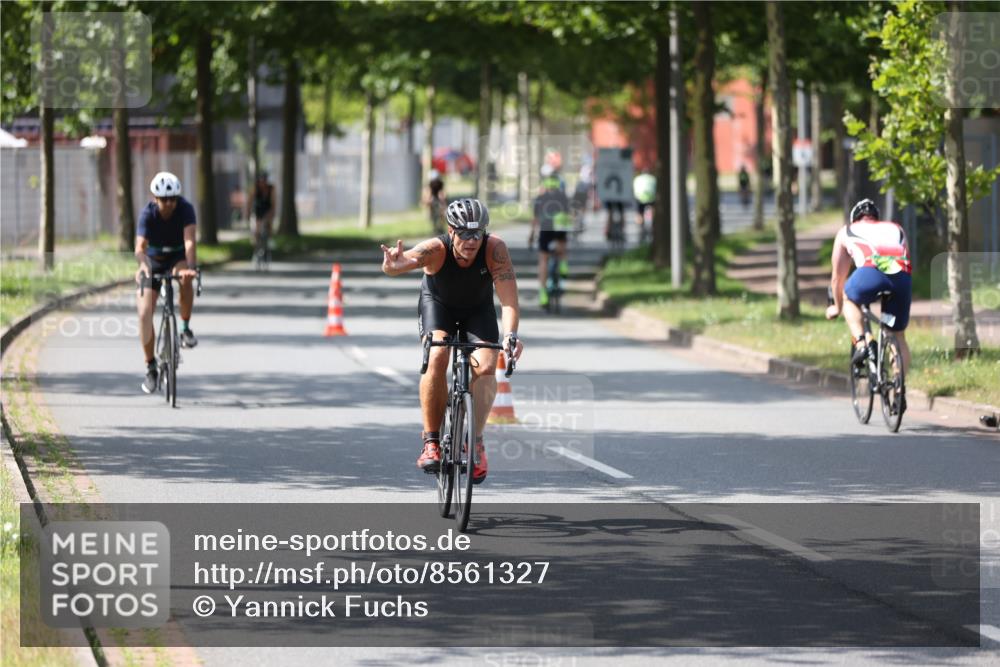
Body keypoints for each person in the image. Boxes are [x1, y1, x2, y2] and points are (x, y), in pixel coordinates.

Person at [380, 198, 524, 483]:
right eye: (465, 233)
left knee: (486, 367)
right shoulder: (437, 249)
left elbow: (509, 300)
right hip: (439, 307)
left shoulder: (495, 249)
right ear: (451, 230)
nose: (472, 241)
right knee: (438, 354)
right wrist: (393, 265)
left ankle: (476, 441)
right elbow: (406, 261)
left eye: (477, 233)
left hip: (477, 310)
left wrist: (510, 336)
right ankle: (431, 441)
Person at [825, 198, 912, 397]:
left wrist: (836, 307)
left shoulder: (847, 231)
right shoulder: (896, 228)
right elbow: (906, 258)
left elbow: (837, 278)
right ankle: (898, 387)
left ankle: (862, 342)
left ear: (854, 218)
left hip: (870, 271)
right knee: (897, 335)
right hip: (901, 275)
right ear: (876, 218)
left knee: (847, 296)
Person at [135, 172, 199, 394]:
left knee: (185, 278)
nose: (169, 204)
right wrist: (143, 267)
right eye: (164, 199)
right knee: (144, 313)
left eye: (173, 199)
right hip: (153, 261)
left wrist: (190, 266)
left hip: (177, 257)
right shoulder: (148, 214)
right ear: (155, 198)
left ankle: (185, 328)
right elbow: (140, 248)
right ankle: (151, 366)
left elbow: (189, 240)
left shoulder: (185, 208)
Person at [529, 165, 572, 308]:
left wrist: (531, 236)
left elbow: (535, 220)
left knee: (543, 259)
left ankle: (542, 293)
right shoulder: (563, 197)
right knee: (562, 247)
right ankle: (564, 266)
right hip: (560, 229)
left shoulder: (540, 199)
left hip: (546, 229)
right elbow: (569, 216)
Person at [246, 170, 276, 254]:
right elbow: (250, 201)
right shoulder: (255, 188)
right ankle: (256, 249)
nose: (262, 183)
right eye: (261, 180)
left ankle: (269, 240)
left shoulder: (271, 188)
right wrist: (248, 213)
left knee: (269, 223)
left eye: (264, 180)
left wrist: (273, 212)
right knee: (257, 228)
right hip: (258, 209)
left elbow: (273, 202)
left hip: (267, 209)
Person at [633, 171, 657, 243]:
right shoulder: (653, 178)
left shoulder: (637, 178)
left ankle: (640, 227)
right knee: (653, 209)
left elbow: (635, 190)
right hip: (651, 198)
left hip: (640, 198)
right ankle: (653, 224)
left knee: (639, 212)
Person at [424, 169, 447, 234]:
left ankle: (441, 226)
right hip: (432, 199)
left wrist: (443, 202)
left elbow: (442, 194)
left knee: (442, 210)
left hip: (438, 199)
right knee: (432, 210)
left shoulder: (440, 184)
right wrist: (429, 201)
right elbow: (427, 197)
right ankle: (435, 226)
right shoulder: (428, 186)